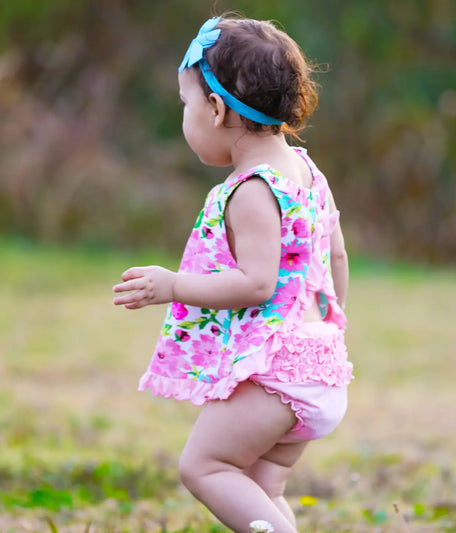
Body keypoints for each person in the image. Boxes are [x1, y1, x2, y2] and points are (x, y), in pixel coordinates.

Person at [113, 15, 353, 533]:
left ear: (216, 109)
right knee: (261, 489)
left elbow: (256, 283)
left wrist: (173, 285)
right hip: (321, 362)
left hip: (280, 373)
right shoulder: (310, 175)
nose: (185, 116)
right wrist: (329, 329)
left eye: (186, 104)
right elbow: (335, 257)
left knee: (203, 466)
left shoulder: (251, 190)